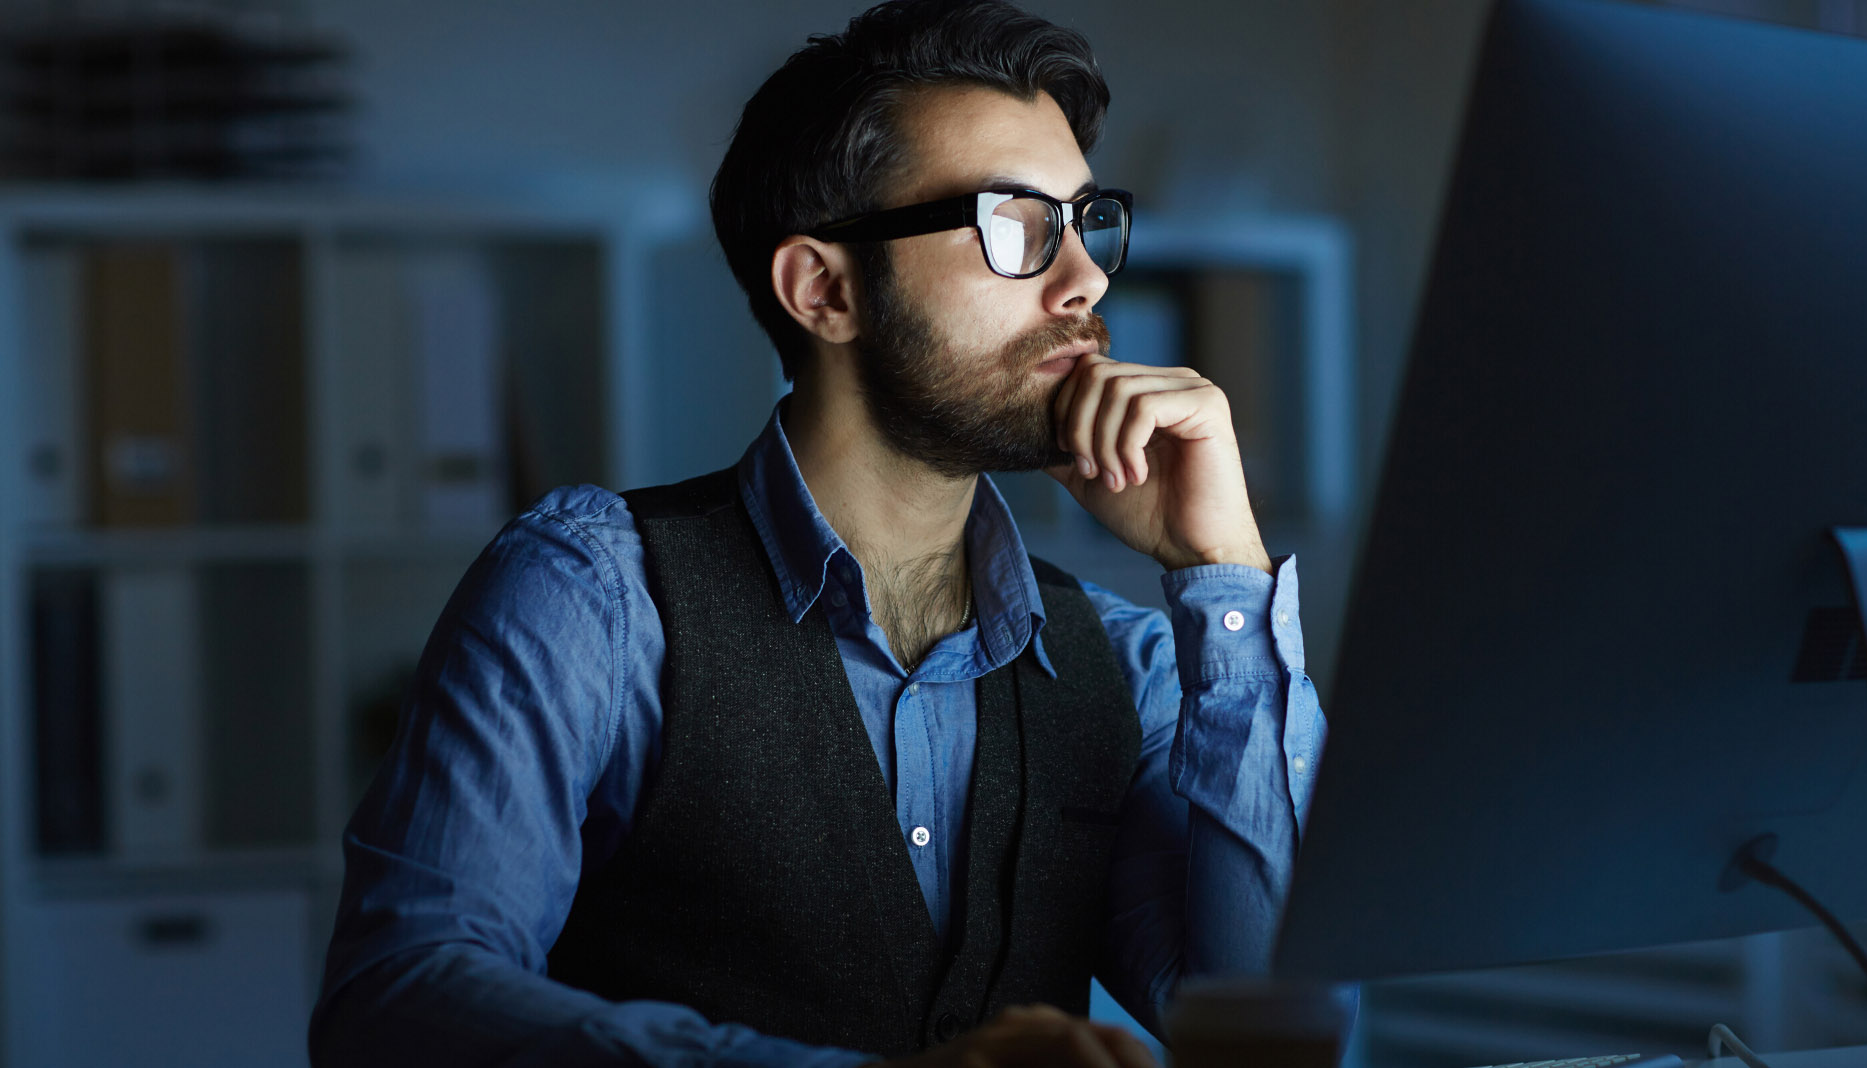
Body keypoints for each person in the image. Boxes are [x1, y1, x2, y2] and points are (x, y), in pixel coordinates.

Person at [310, 1, 1326, 1065]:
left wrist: (1226, 575)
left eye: (1086, 222)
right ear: (824, 289)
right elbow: (396, 1000)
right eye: (1017, 225)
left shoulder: (1130, 664)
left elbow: (1276, 1029)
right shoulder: (592, 595)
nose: (1087, 281)